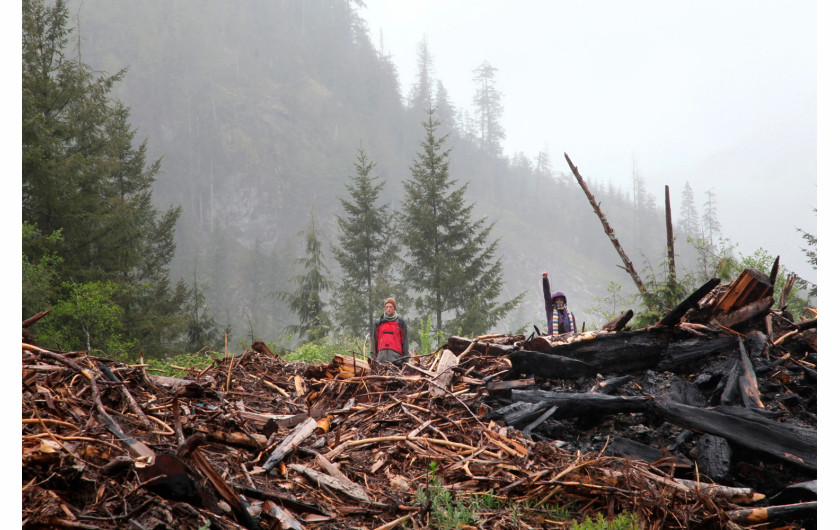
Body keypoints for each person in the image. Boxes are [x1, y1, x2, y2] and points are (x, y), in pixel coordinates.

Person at [373, 297, 409, 366]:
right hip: (381, 360)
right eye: (387, 307)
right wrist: (373, 358)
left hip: (397, 361)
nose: (388, 309)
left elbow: (405, 343)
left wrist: (406, 360)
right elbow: (374, 342)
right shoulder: (378, 323)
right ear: (384, 308)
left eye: (391, 307)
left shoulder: (401, 323)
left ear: (394, 308)